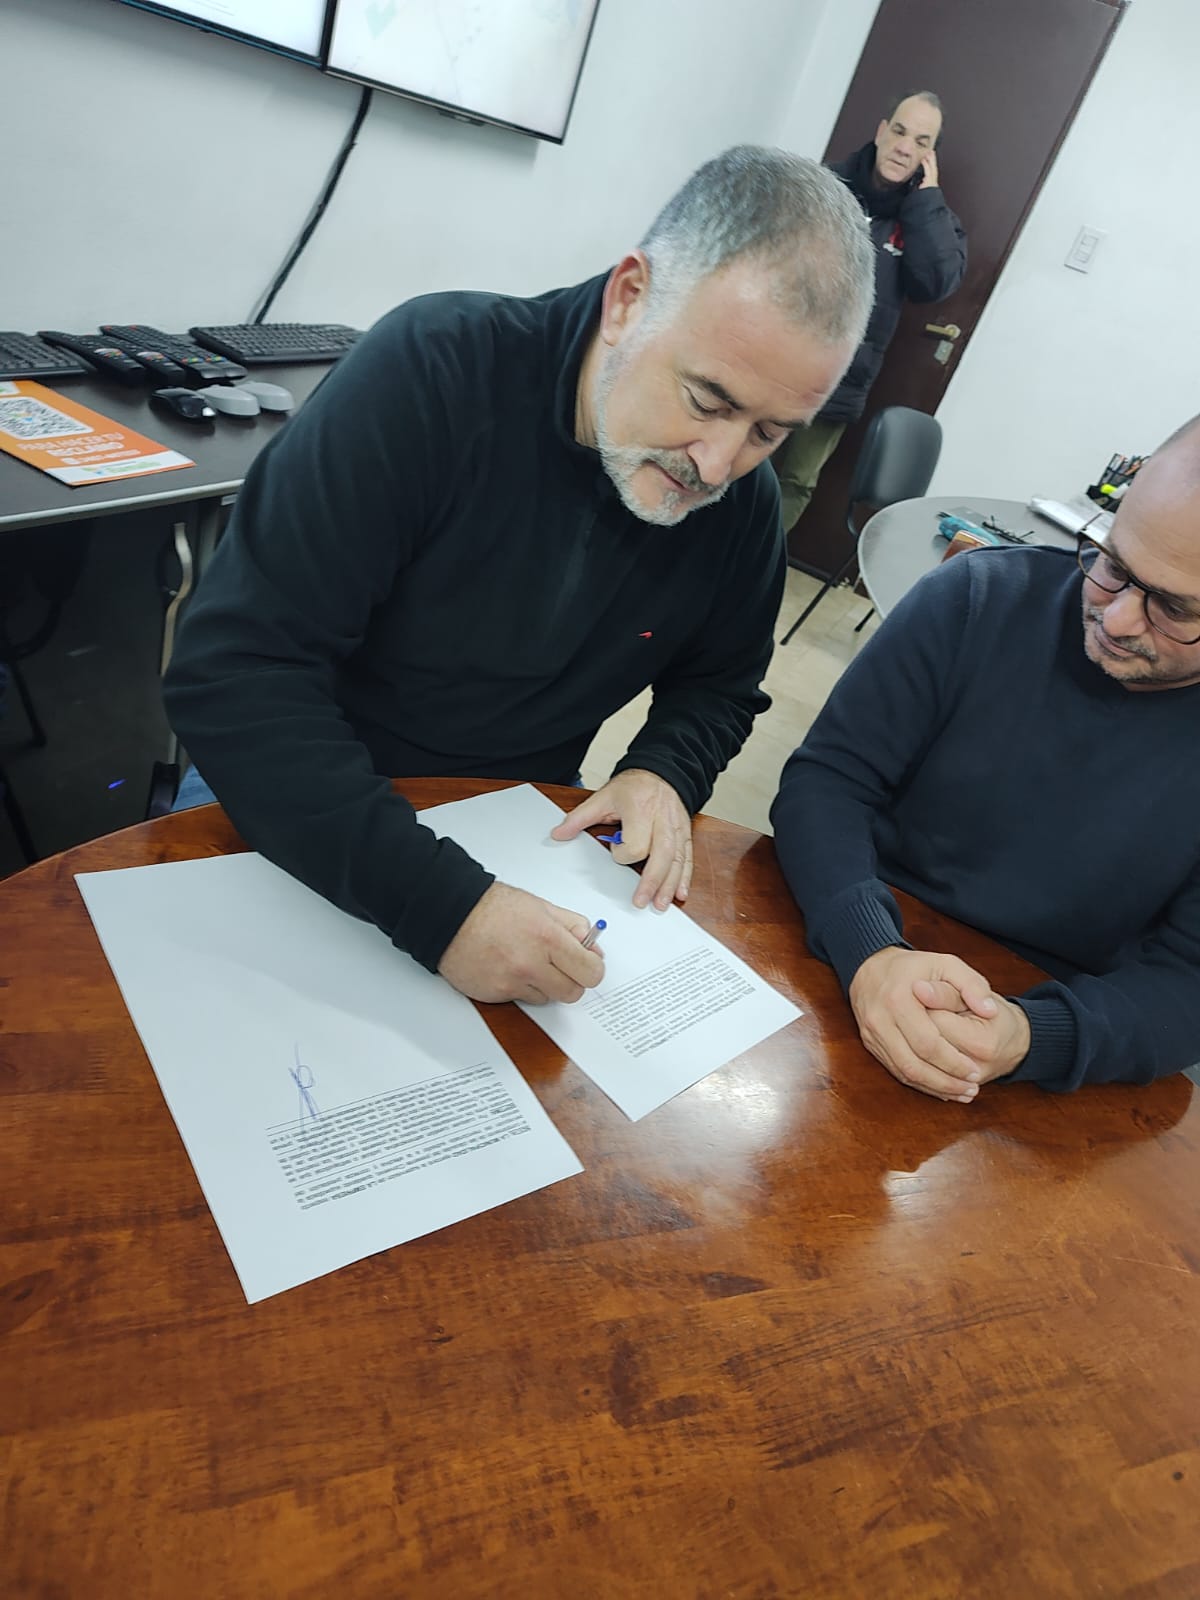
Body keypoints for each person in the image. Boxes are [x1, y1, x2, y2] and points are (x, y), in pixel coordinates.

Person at [164, 146, 874, 1009]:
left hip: (511, 833)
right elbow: (235, 672)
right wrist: (439, 909)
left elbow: (720, 685)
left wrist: (664, 771)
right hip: (291, 794)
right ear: (629, 298)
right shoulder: (431, 373)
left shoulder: (740, 505)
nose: (720, 464)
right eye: (707, 401)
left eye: (769, 432)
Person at [771, 413, 1200, 1100]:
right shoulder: (977, 599)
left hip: (1053, 1035)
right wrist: (870, 949)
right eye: (1114, 564)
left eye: (1175, 610)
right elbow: (828, 781)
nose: (1117, 618)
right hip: (854, 935)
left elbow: (1189, 982)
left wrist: (1031, 1035)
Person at [772, 90, 967, 530]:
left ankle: (750, 566)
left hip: (842, 376)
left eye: (920, 141)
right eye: (899, 131)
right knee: (742, 458)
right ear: (881, 131)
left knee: (797, 482)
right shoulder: (826, 185)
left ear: (929, 156)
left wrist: (926, 201)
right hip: (782, 356)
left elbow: (935, 283)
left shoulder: (928, 217)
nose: (904, 147)